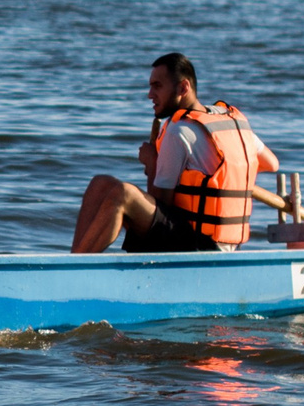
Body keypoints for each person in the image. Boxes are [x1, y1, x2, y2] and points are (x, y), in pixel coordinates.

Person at [71, 51, 278, 254]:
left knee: (122, 195)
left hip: (199, 246)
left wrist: (152, 162)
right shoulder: (231, 121)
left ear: (183, 87)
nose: (150, 94)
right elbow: (271, 164)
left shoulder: (178, 130)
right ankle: (74, 259)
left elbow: (161, 203)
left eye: (157, 87)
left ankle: (74, 270)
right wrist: (235, 173)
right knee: (101, 184)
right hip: (217, 241)